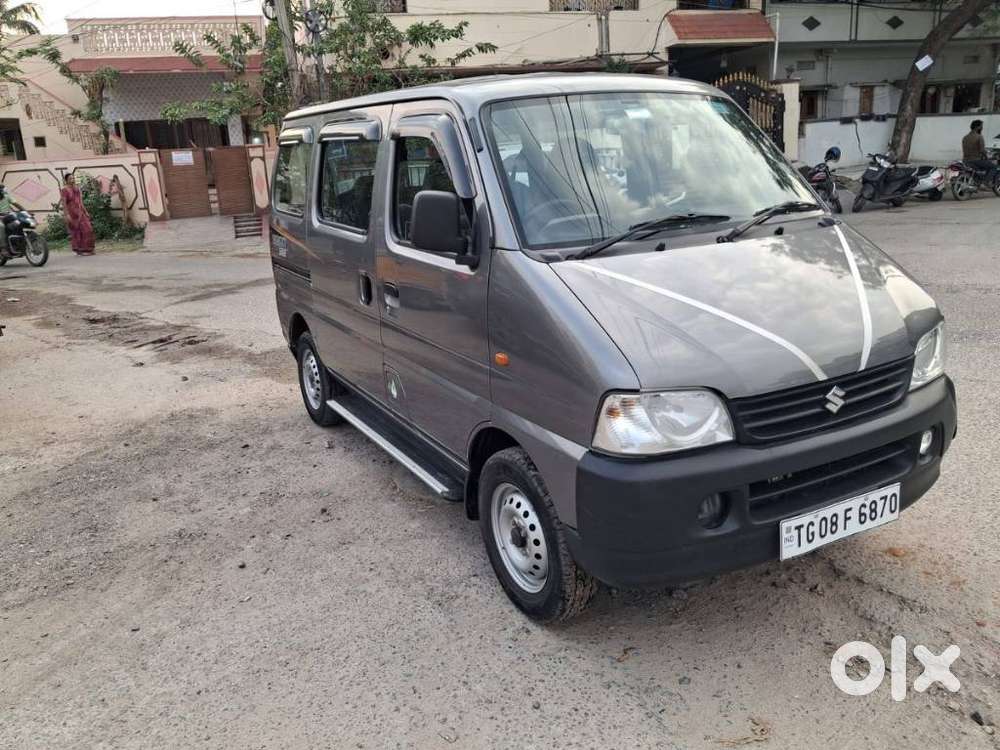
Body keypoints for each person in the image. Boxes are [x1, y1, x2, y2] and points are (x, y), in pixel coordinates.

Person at [60, 173, 95, 256]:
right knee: (76, 232)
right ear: (66, 180)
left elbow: (80, 202)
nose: (72, 180)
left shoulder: (77, 189)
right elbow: (64, 204)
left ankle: (88, 249)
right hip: (72, 214)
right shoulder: (65, 190)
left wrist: (86, 212)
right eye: (70, 179)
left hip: (80, 213)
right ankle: (80, 250)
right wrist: (67, 215)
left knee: (88, 229)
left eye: (73, 178)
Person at [0, 184, 24, 259]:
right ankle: (3, 248)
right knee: (1, 226)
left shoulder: (7, 197)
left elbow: (16, 204)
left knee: (18, 223)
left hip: (8, 216)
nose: (3, 191)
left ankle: (18, 243)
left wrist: (25, 211)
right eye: (2, 190)